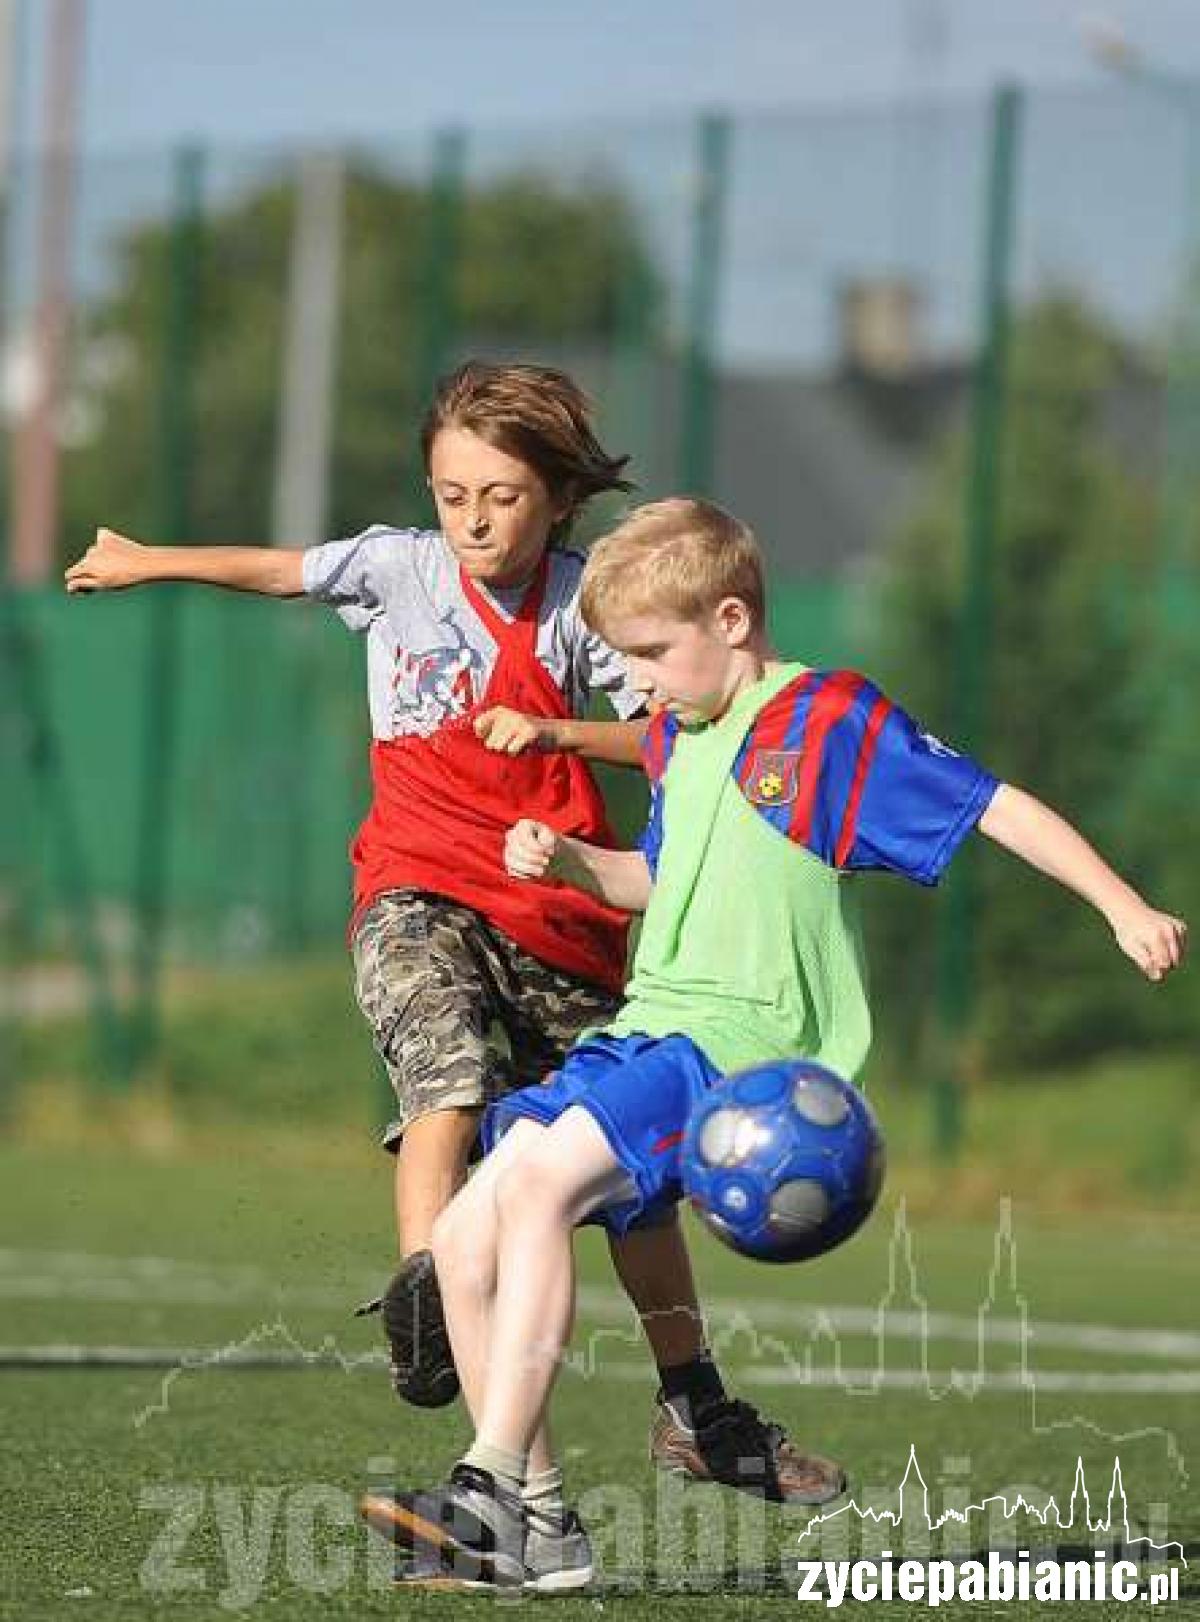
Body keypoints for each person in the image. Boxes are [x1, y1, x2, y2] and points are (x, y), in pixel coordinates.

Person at [64, 368, 835, 1549]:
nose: (473, 519)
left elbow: (673, 734)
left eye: (502, 496)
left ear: (558, 498)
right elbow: (280, 569)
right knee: (448, 1080)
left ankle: (697, 1402)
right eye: (452, 493)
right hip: (415, 889)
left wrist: (560, 729)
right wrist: (145, 558)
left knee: (629, 1184)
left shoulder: (586, 605)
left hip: (558, 918)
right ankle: (434, 1304)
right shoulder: (395, 568)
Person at [362, 496, 1188, 1590]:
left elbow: (991, 804)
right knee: (469, 1230)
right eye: (624, 660)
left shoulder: (825, 721)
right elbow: (658, 881)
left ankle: (494, 1482)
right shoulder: (679, 736)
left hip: (732, 1040)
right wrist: (571, 861)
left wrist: (1122, 903)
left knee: (542, 1192)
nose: (637, 683)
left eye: (652, 654)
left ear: (733, 618)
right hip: (644, 1026)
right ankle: (540, 1527)